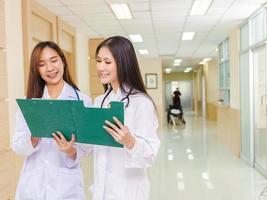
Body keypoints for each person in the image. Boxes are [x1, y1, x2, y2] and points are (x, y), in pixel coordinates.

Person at [12, 41, 91, 200]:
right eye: (42, 64)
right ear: (37, 70)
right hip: (33, 187)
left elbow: (87, 147)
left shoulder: (82, 101)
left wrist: (70, 150)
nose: (49, 68)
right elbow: (17, 145)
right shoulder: (29, 104)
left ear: (62, 61)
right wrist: (34, 137)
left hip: (67, 188)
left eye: (54, 61)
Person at [91, 36, 161, 200]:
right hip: (102, 189)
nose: (101, 67)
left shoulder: (141, 103)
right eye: (99, 61)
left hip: (128, 191)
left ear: (123, 63)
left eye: (107, 62)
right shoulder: (99, 101)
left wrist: (131, 142)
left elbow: (150, 155)